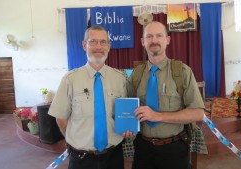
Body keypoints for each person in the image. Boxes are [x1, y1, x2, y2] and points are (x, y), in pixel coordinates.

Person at [127, 21, 205, 169]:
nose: (154, 40)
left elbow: (198, 113)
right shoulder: (136, 75)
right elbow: (129, 108)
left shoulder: (182, 72)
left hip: (174, 148)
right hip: (143, 148)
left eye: (159, 36)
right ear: (143, 42)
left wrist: (157, 116)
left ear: (167, 40)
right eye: (149, 36)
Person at [48, 25, 127, 169]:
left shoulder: (120, 79)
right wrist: (75, 140)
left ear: (109, 46)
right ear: (85, 45)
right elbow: (60, 117)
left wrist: (128, 126)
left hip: (113, 157)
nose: (98, 47)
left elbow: (125, 114)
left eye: (103, 42)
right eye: (93, 42)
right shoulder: (70, 79)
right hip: (81, 158)